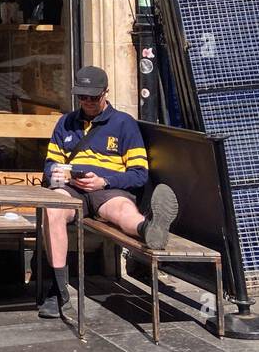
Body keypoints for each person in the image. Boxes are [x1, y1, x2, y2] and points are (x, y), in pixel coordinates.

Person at [38, 65, 178, 318]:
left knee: (121, 209)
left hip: (108, 187)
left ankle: (150, 230)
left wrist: (104, 181)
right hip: (71, 187)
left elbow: (139, 174)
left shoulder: (124, 123)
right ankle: (58, 291)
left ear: (106, 93)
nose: (88, 102)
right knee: (53, 209)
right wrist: (55, 174)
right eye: (83, 97)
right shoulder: (66, 122)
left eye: (94, 96)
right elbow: (50, 164)